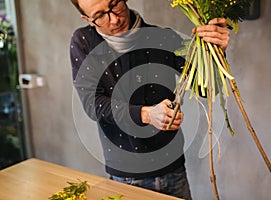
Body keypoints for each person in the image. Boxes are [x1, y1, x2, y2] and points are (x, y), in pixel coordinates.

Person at [70, 0, 230, 199]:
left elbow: (205, 88)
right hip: (126, 177)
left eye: (114, 5)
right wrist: (146, 114)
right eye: (100, 15)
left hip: (173, 169)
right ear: (88, 19)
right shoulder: (84, 41)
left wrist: (217, 52)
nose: (114, 19)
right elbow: (93, 104)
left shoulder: (163, 37)